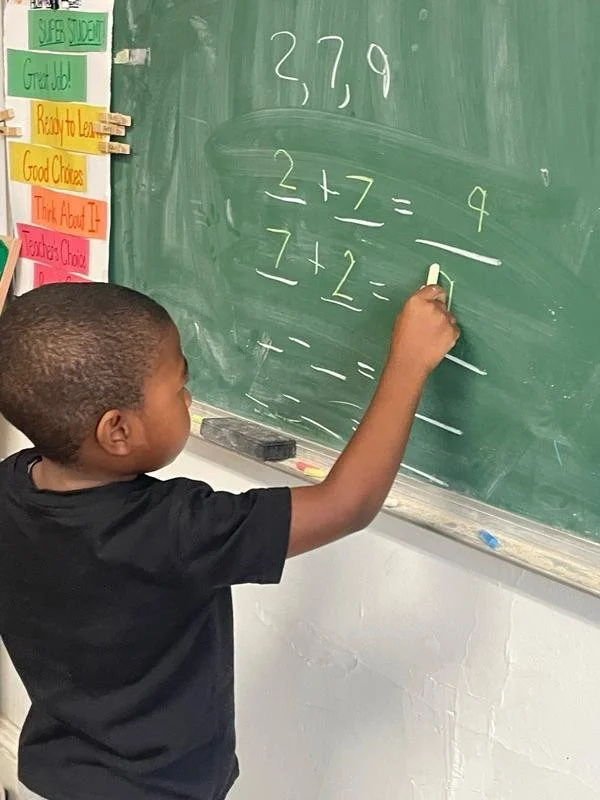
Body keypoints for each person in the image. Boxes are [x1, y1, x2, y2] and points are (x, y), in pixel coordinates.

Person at [0, 281, 458, 800]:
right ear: (118, 432)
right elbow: (345, 505)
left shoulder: (10, 485)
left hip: (61, 776)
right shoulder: (175, 529)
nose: (189, 398)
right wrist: (408, 362)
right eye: (179, 388)